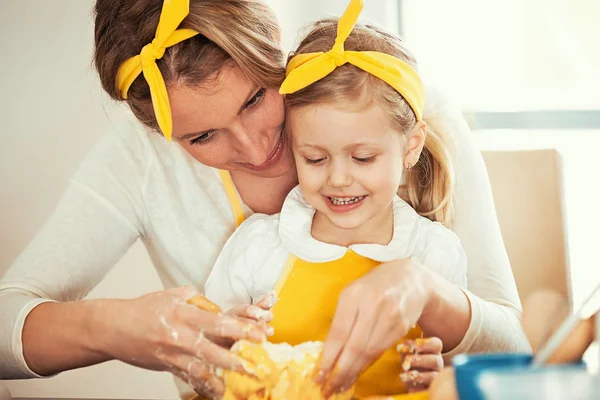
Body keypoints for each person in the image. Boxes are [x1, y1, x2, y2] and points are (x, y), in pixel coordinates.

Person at [0, 0, 530, 398]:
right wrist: (113, 327)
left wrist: (427, 292)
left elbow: (515, 351)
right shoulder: (138, 160)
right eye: (201, 138)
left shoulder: (393, 104)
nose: (255, 148)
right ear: (162, 136)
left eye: (256, 98)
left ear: (273, 41)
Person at [204, 0, 466, 397]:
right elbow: (206, 359)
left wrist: (439, 368)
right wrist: (229, 338)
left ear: (411, 146)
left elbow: (457, 366)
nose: (338, 179)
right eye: (315, 158)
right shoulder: (257, 247)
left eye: (362, 158)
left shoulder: (435, 254)